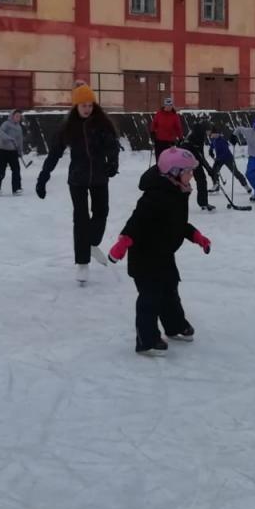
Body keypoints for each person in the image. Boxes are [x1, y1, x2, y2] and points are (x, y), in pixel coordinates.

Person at [108, 146, 211, 356]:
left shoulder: (178, 191)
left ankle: (174, 325)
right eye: (188, 171)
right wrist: (123, 243)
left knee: (170, 290)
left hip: (163, 254)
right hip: (144, 256)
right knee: (150, 297)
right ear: (174, 172)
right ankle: (146, 340)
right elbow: (137, 221)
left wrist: (196, 236)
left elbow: (178, 223)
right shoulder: (155, 196)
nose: (192, 175)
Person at [36, 84, 121, 283]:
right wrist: (43, 176)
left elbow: (112, 146)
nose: (87, 109)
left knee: (102, 212)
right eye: (83, 105)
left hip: (99, 176)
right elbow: (55, 153)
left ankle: (91, 243)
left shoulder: (101, 124)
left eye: (90, 105)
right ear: (76, 106)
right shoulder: (69, 127)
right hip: (78, 179)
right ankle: (82, 263)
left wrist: (113, 163)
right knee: (81, 219)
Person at [179, 117, 219, 212]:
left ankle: (203, 203)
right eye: (210, 131)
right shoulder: (198, 134)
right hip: (187, 157)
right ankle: (177, 202)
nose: (210, 134)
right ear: (206, 129)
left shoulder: (197, 130)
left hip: (191, 156)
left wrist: (209, 169)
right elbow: (200, 155)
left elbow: (200, 154)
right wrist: (209, 170)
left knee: (200, 179)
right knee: (186, 180)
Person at [0, 109, 25, 196]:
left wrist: (20, 151)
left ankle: (16, 188)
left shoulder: (19, 128)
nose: (18, 118)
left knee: (16, 170)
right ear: (12, 116)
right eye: (16, 116)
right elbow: (0, 132)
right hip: (2, 150)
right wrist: (8, 138)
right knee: (1, 170)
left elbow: (20, 140)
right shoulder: (6, 124)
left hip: (13, 151)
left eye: (19, 117)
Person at [209, 126, 250, 195]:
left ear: (218, 134)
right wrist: (210, 151)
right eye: (213, 134)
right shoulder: (214, 140)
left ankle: (246, 186)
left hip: (228, 158)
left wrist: (218, 159)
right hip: (219, 159)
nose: (214, 135)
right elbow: (212, 146)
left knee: (235, 172)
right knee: (214, 172)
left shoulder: (222, 141)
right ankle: (216, 185)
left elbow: (225, 152)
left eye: (215, 134)